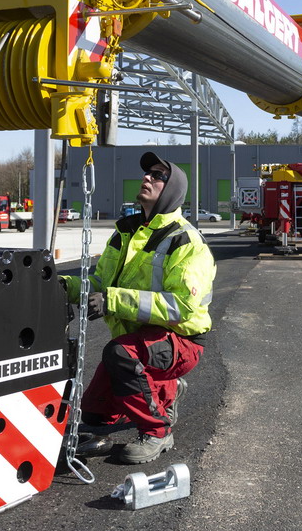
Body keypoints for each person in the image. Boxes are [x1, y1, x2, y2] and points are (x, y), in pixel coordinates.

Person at [61, 152, 216, 464]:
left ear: (172, 190)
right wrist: (62, 284)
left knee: (119, 354)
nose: (147, 178)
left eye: (158, 176)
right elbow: (101, 282)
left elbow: (181, 307)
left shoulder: (186, 242)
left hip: (180, 341)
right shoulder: (126, 233)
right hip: (141, 340)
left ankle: (158, 431)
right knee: (95, 414)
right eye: (148, 174)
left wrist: (112, 301)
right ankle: (163, 390)